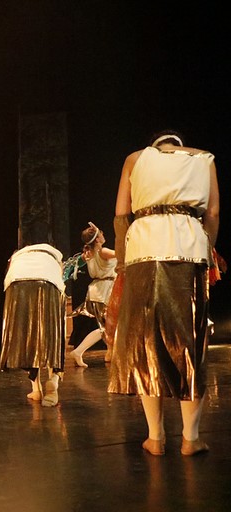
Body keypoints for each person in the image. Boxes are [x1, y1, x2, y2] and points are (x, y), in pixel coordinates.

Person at [108, 130, 219, 456]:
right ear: (179, 146)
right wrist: (207, 247)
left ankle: (155, 437)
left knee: (148, 344)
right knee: (191, 344)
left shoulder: (135, 158)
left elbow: (120, 215)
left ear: (155, 146)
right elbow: (211, 214)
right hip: (189, 250)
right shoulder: (205, 158)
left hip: (144, 251)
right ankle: (190, 437)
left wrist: (122, 263)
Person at [0, 238, 65, 407]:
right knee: (51, 334)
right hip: (47, 282)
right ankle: (54, 380)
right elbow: (60, 278)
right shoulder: (53, 255)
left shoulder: (18, 256)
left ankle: (36, 389)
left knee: (27, 336)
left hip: (17, 283)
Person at [68, 222, 117, 367]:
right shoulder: (104, 251)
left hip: (98, 289)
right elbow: (123, 255)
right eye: (100, 232)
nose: (103, 234)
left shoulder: (89, 254)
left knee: (111, 325)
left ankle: (111, 352)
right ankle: (78, 351)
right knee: (105, 328)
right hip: (104, 291)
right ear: (97, 239)